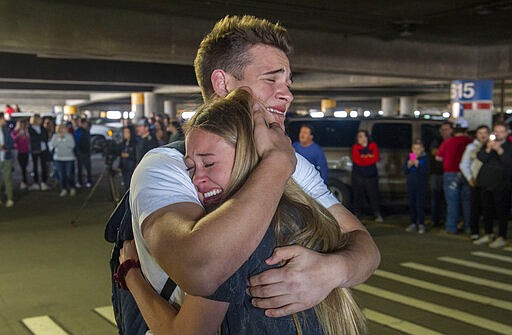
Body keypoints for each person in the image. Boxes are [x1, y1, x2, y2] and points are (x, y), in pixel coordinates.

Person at [130, 15, 379, 325]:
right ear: (223, 84)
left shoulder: (294, 163)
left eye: (288, 83)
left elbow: (362, 242)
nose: (287, 94)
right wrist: (276, 164)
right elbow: (199, 270)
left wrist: (331, 271)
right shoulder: (166, 166)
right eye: (270, 79)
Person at [120, 88, 366, 334]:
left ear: (248, 154)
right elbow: (359, 239)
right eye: (191, 168)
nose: (197, 179)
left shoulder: (235, 230)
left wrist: (130, 274)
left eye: (209, 163)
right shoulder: (300, 210)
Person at [473, 122, 512, 248]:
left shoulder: (508, 147)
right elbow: (480, 157)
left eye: (501, 131)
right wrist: (489, 148)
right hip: (486, 183)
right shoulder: (487, 144)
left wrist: (499, 150)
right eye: (496, 131)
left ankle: (502, 236)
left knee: (501, 212)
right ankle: (488, 233)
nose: (498, 134)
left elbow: (508, 162)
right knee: (486, 210)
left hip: (502, 185)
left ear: (507, 133)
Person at [436, 121, 472, 234]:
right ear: (466, 129)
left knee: (452, 203)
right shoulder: (470, 141)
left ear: (453, 130)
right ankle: (468, 227)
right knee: (467, 202)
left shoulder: (448, 142)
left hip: (450, 174)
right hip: (467, 174)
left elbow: (438, 158)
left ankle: (451, 227)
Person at [459, 125, 489, 241]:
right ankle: (474, 231)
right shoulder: (471, 147)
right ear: (476, 134)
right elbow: (464, 164)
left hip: (488, 181)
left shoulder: (492, 146)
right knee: (474, 207)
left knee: (487, 208)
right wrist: (470, 178)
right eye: (480, 133)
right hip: (475, 180)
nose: (483, 135)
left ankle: (488, 231)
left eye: (485, 132)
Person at [351, 129, 383, 222]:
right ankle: (357, 214)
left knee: (373, 195)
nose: (361, 138)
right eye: (359, 137)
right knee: (358, 196)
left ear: (367, 137)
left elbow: (376, 158)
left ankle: (377, 213)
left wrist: (364, 158)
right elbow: (357, 160)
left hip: (371, 175)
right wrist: (368, 158)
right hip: (358, 175)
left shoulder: (373, 146)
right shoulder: (355, 147)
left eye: (363, 136)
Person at [429, 121, 453, 227]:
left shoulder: (453, 140)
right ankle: (435, 220)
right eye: (442, 130)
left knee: (448, 199)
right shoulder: (436, 140)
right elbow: (435, 152)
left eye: (446, 129)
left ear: (451, 130)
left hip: (449, 173)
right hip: (436, 173)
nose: (444, 132)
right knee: (435, 197)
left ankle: (447, 220)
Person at [403, 139, 430, 234]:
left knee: (420, 205)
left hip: (421, 185)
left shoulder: (425, 158)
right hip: (411, 184)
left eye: (419, 148)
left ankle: (421, 224)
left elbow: (426, 172)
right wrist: (408, 165)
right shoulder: (411, 157)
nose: (416, 151)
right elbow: (405, 171)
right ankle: (413, 223)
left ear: (422, 149)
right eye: (414, 148)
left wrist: (419, 165)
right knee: (412, 204)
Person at [50, 124, 76, 197]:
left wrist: (64, 140)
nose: (62, 130)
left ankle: (72, 188)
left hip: (69, 158)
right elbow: (53, 145)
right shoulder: (55, 136)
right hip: (58, 158)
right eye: (60, 129)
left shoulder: (69, 136)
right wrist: (60, 140)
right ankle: (63, 189)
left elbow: (72, 145)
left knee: (69, 174)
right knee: (61, 175)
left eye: (63, 128)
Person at [28, 113, 51, 191]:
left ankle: (43, 182)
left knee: (44, 166)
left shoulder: (42, 128)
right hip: (35, 149)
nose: (41, 120)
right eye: (39, 119)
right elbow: (33, 139)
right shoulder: (30, 128)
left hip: (43, 149)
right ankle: (36, 182)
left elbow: (45, 138)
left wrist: (39, 138)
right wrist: (40, 137)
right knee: (35, 167)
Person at [11, 119, 31, 190]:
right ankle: (22, 181)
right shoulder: (15, 132)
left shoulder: (26, 132)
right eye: (20, 125)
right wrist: (19, 135)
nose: (22, 126)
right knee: (20, 167)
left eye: (23, 125)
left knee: (24, 167)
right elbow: (13, 140)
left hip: (25, 151)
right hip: (18, 151)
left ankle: (24, 181)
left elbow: (28, 142)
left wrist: (26, 136)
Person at [0, 113, 14, 207]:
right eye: (3, 119)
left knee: (7, 178)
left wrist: (4, 148)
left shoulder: (6, 130)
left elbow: (10, 143)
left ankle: (10, 199)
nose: (5, 121)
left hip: (6, 157)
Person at [74, 118, 92, 188]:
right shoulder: (79, 131)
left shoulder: (86, 131)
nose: (86, 125)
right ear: (82, 124)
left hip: (85, 153)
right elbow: (77, 142)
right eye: (85, 124)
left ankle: (87, 181)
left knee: (87, 168)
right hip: (81, 153)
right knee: (80, 168)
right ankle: (81, 181)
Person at [119, 125, 137, 191]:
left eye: (127, 132)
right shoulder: (124, 143)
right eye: (124, 132)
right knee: (125, 184)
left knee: (130, 184)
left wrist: (129, 155)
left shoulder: (135, 143)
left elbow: (137, 155)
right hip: (124, 166)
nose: (125, 134)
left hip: (131, 167)